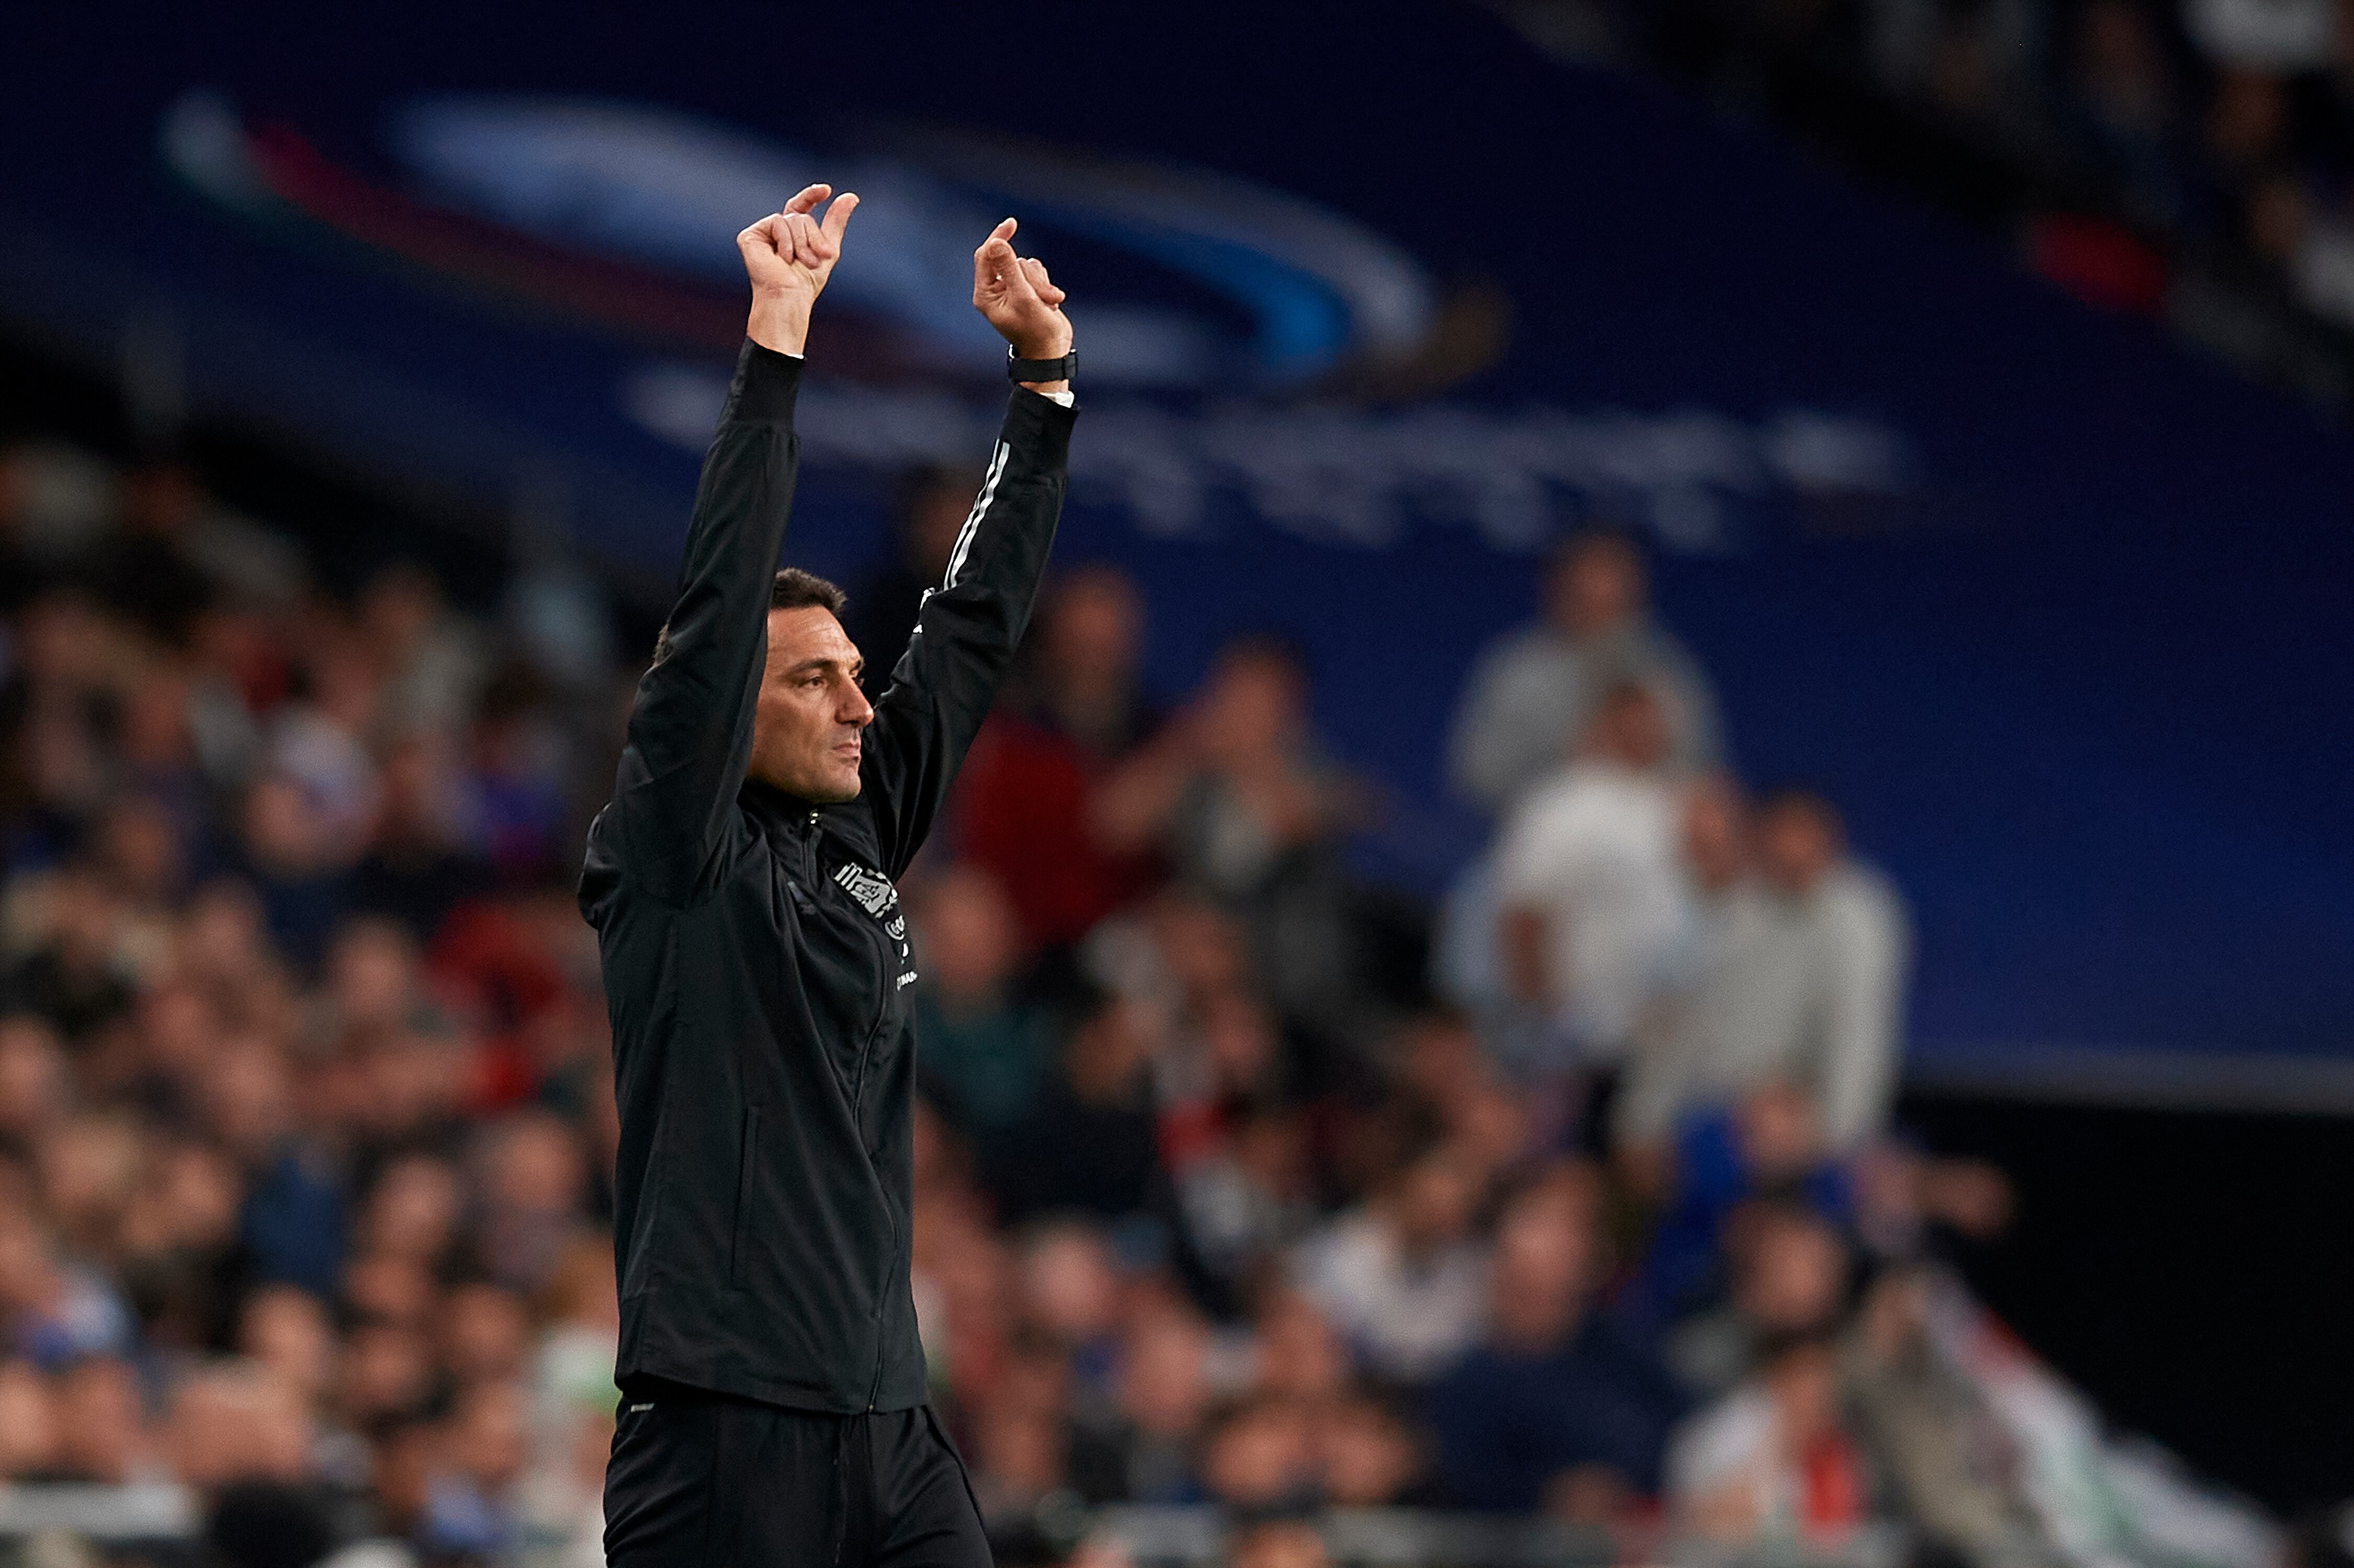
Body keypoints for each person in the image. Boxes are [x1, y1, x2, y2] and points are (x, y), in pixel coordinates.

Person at [580, 184, 1079, 1568]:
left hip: (890, 1418)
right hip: (721, 1430)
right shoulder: (670, 850)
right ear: (725, 701)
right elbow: (718, 594)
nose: (862, 704)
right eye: (815, 679)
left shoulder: (852, 831)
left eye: (857, 675)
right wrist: (776, 341)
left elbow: (968, 629)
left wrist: (1040, 388)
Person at [1446, 531, 1723, 816]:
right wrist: (1569, 762)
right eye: (1587, 600)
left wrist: (1646, 759)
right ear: (1559, 592)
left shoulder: (1669, 669)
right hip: (1544, 827)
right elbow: (1475, 777)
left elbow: (1705, 771)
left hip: (1652, 828)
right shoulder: (1519, 669)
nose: (1603, 619)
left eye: (1615, 602)